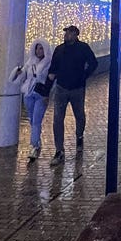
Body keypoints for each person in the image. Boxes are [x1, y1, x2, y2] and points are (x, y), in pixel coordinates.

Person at [48, 25, 98, 166]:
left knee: (80, 115)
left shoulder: (83, 48)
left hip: (77, 88)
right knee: (58, 119)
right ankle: (59, 150)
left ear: (76, 34)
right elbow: (53, 68)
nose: (66, 35)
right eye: (66, 33)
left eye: (69, 33)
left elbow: (94, 63)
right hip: (61, 88)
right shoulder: (59, 50)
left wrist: (84, 76)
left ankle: (79, 136)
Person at [9, 38, 53, 163]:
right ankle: (37, 141)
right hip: (28, 93)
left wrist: (47, 94)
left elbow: (50, 81)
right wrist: (17, 73)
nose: (39, 51)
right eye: (37, 48)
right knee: (32, 119)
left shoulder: (49, 63)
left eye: (41, 48)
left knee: (36, 120)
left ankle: (33, 146)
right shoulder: (30, 62)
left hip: (40, 94)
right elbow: (22, 77)